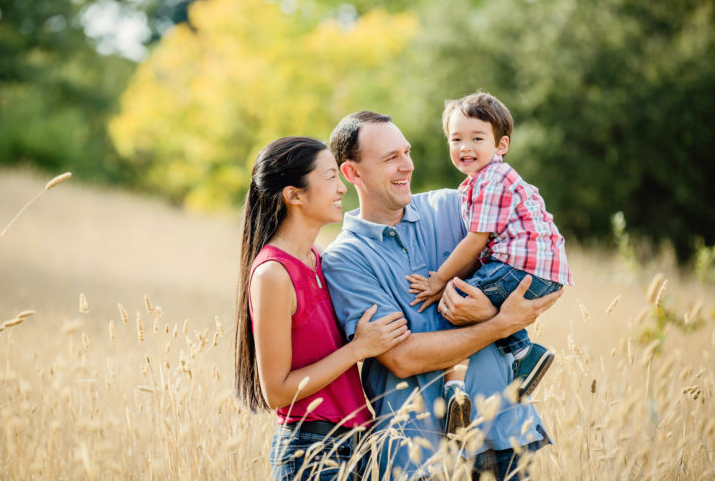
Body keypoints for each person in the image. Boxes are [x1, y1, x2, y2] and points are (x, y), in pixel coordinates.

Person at [322, 112, 561, 480]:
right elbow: (402, 358)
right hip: (421, 455)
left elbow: (541, 264)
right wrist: (499, 324)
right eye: (390, 158)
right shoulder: (344, 259)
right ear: (352, 173)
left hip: (504, 433)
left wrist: (493, 306)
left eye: (407, 152)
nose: (407, 166)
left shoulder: (454, 207)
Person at [234, 136, 411, 481]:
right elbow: (276, 391)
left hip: (355, 447)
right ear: (294, 195)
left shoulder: (317, 258)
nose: (342, 188)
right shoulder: (273, 273)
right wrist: (358, 349)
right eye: (330, 177)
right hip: (312, 453)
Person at [408, 92, 574, 434]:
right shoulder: (480, 181)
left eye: (476, 138)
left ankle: (455, 389)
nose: (465, 147)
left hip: (523, 268)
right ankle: (523, 352)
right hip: (534, 268)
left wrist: (439, 280)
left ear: (501, 145)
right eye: (456, 139)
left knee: (456, 301)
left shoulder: (492, 179)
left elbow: (476, 241)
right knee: (470, 300)